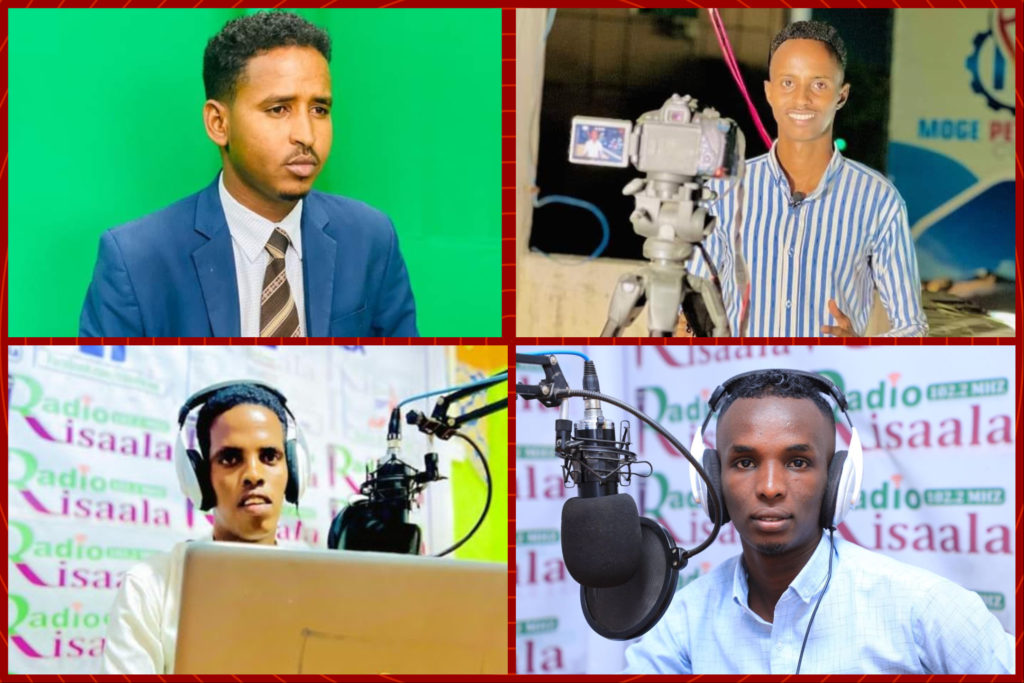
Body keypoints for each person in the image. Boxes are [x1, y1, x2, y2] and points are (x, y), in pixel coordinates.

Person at [625, 369, 1013, 674]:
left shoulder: (926, 608)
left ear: (837, 480)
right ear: (710, 480)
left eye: (798, 462)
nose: (771, 487)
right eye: (744, 462)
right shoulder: (683, 619)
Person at [80, 11, 417, 337]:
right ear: (218, 123)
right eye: (278, 109)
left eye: (319, 109)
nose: (306, 134)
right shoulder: (136, 260)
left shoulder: (371, 238)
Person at [685, 21, 927, 337]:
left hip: (832, 381)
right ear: (769, 92)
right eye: (788, 83)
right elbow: (689, 310)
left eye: (819, 85)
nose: (801, 99)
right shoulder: (723, 190)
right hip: (740, 379)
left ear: (841, 95)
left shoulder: (878, 199)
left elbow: (912, 327)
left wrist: (864, 352)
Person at [102, 383, 298, 674]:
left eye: (269, 456)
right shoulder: (148, 586)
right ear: (201, 479)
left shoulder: (327, 584)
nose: (254, 474)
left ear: (293, 471)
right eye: (230, 458)